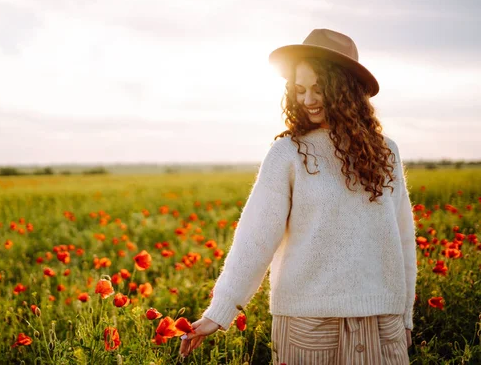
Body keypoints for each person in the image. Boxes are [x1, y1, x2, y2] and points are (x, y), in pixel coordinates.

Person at [178, 28, 417, 364]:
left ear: (346, 89)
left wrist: (405, 315)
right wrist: (220, 312)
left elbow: (404, 239)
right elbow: (255, 239)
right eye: (300, 89)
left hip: (381, 324)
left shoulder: (385, 152)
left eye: (320, 89)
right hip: (310, 325)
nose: (308, 100)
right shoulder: (288, 153)